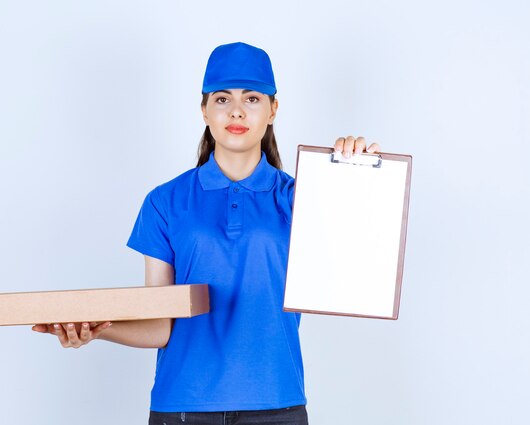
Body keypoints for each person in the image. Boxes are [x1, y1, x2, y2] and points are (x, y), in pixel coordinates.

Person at [33, 42, 380, 425]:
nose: (236, 110)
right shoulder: (165, 202)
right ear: (204, 110)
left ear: (272, 110)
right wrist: (95, 329)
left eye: (251, 98)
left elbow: (361, 257)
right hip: (182, 407)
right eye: (221, 98)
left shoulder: (302, 198)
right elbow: (159, 323)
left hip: (277, 404)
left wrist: (353, 174)